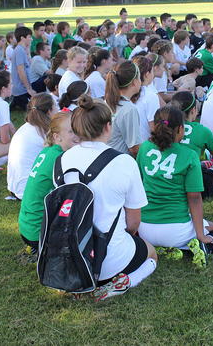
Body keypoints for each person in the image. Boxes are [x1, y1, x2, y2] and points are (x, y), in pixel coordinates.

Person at [59, 95, 157, 301]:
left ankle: (84, 283)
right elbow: (133, 222)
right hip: (111, 258)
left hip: (72, 257)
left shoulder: (62, 160)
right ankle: (123, 283)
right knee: (151, 253)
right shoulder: (124, 162)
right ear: (107, 127)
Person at [136, 105, 213, 267]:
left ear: (155, 126)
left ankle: (162, 248)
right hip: (175, 229)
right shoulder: (189, 155)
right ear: (180, 129)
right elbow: (195, 198)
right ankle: (200, 247)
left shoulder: (144, 149)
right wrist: (201, 234)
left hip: (143, 227)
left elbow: (139, 185)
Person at [18, 111, 80, 252]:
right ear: (57, 137)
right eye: (71, 131)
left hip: (27, 226)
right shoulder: (61, 159)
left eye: (78, 129)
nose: (77, 135)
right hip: (38, 232)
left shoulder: (47, 151)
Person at [7, 93, 55, 199]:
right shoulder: (44, 132)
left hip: (15, 188)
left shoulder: (27, 127)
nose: (57, 110)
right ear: (49, 111)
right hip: (29, 191)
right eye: (55, 106)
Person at [105, 61, 142, 155]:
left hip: (106, 159)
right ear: (134, 82)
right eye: (139, 78)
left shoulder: (107, 101)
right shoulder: (129, 109)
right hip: (118, 162)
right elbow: (134, 148)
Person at [133, 56, 160, 142]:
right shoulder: (150, 96)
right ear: (147, 74)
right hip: (144, 147)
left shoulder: (128, 92)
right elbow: (154, 128)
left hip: (129, 145)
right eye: (152, 71)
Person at [10, 26, 35, 110]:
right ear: (22, 38)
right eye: (29, 37)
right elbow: (21, 71)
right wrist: (29, 88)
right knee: (34, 108)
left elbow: (29, 65)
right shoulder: (19, 51)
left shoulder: (23, 50)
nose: (31, 39)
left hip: (23, 88)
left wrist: (28, 49)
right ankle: (16, 102)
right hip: (21, 90)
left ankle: (15, 103)